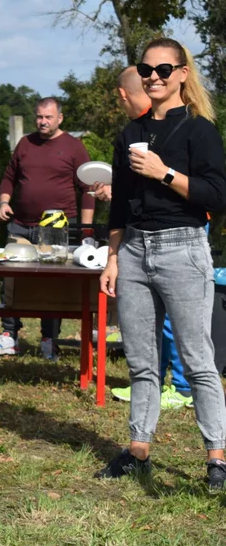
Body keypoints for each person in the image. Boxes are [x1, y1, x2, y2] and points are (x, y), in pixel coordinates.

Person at [98, 38, 226, 491]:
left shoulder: (200, 131)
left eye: (164, 69)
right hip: (134, 250)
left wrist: (164, 173)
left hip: (182, 248)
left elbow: (217, 196)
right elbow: (119, 209)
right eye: (146, 69)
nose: (154, 77)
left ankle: (216, 459)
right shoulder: (128, 133)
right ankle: (138, 451)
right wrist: (112, 258)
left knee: (197, 360)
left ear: (183, 74)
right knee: (141, 361)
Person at [91, 67, 193, 410]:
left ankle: (181, 386)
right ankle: (157, 383)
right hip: (141, 234)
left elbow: (197, 186)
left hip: (181, 234)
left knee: (174, 315)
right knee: (151, 316)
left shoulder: (176, 125)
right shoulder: (133, 133)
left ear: (121, 95)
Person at [0, 97, 95, 360]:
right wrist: (4, 201)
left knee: (50, 288)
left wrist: (87, 231)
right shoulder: (26, 143)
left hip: (56, 230)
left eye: (48, 117)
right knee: (12, 283)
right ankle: (9, 336)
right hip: (21, 226)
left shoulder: (74, 147)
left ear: (60, 118)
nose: (42, 122)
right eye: (39, 117)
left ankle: (49, 340)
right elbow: (9, 177)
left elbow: (88, 189)